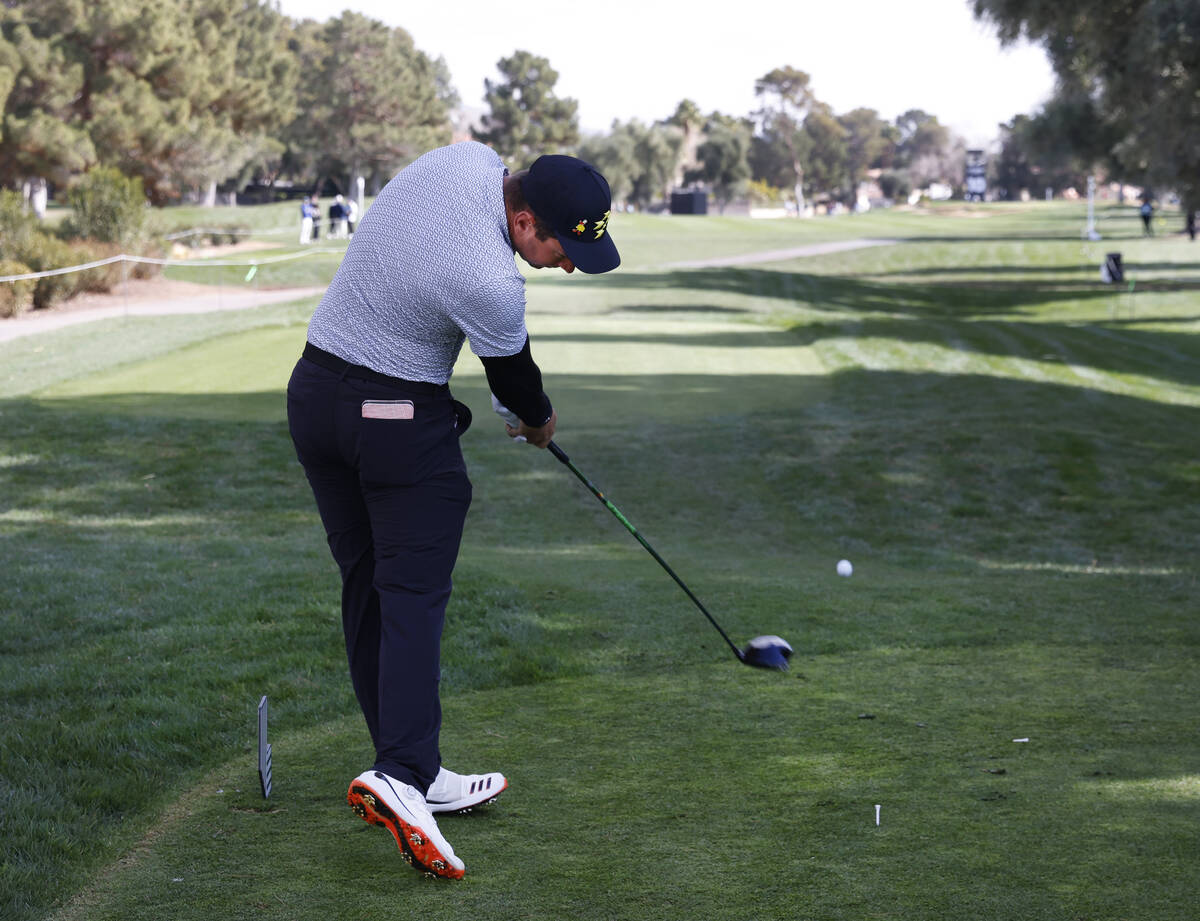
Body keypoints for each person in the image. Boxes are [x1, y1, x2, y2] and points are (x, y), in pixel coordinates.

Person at [286, 142, 619, 880]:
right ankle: (401, 772)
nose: (568, 263)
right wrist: (537, 421)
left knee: (371, 580)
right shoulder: (493, 283)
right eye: (564, 248)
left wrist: (512, 401)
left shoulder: (465, 157)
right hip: (392, 414)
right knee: (411, 591)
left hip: (313, 395)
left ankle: (415, 766)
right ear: (526, 219)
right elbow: (517, 382)